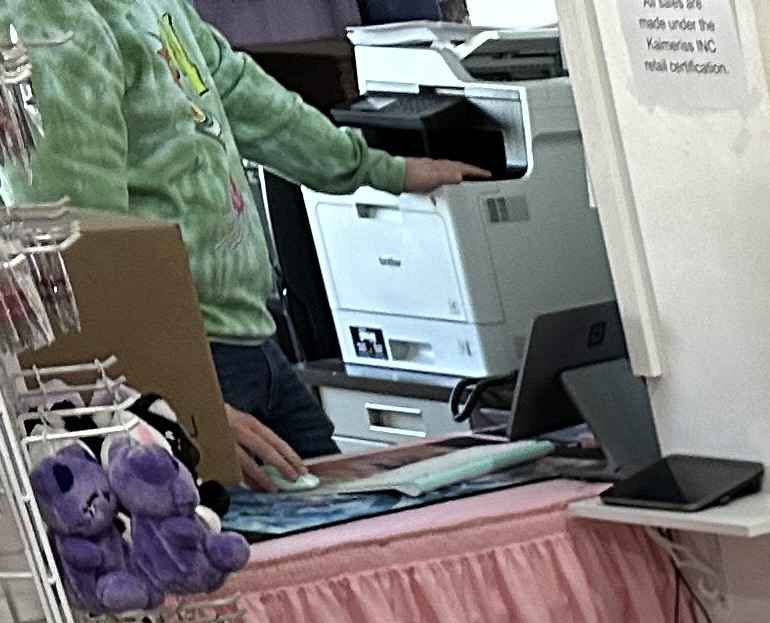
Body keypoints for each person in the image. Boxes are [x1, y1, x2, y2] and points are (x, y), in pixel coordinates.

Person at [2, 0, 483, 479]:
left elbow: (241, 92)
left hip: (246, 341)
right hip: (178, 362)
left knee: (362, 505)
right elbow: (75, 252)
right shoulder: (49, 17)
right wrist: (169, 401)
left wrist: (383, 170)